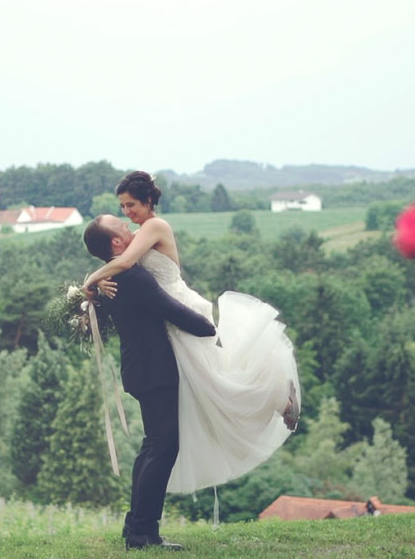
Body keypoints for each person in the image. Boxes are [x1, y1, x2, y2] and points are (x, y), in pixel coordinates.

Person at [83, 171, 301, 497]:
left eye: (130, 205)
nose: (127, 213)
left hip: (178, 306)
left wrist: (90, 280)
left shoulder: (155, 226)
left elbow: (125, 261)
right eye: (122, 208)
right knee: (205, 383)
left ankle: (276, 395)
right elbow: (122, 262)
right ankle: (273, 397)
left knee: (213, 378)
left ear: (147, 201)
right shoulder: (137, 235)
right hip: (165, 318)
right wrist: (100, 280)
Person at [83, 214, 217, 551]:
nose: (129, 227)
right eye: (122, 226)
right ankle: (143, 533)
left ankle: (137, 528)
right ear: (116, 242)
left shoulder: (111, 279)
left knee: (152, 447)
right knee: (162, 448)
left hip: (140, 369)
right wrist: (209, 329)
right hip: (154, 371)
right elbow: (172, 311)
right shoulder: (131, 276)